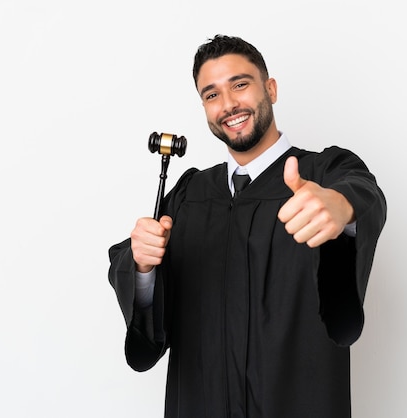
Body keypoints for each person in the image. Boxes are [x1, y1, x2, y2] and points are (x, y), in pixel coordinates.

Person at [108, 34, 386, 418]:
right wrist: (141, 266)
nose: (228, 104)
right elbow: (137, 272)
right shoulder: (190, 194)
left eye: (240, 84)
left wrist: (341, 209)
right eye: (212, 94)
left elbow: (363, 194)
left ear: (269, 89)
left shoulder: (324, 172)